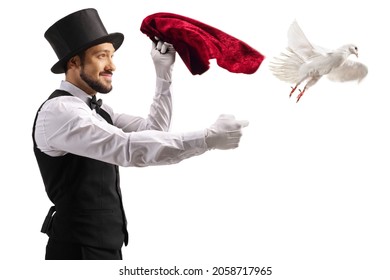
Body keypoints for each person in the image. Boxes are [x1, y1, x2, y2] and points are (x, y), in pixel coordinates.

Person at [32, 8, 249, 260]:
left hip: (104, 246)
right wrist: (206, 139)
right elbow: (127, 149)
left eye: (112, 56)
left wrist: (163, 73)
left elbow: (154, 131)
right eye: (102, 56)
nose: (112, 65)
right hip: (76, 250)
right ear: (74, 62)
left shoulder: (99, 111)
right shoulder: (61, 111)